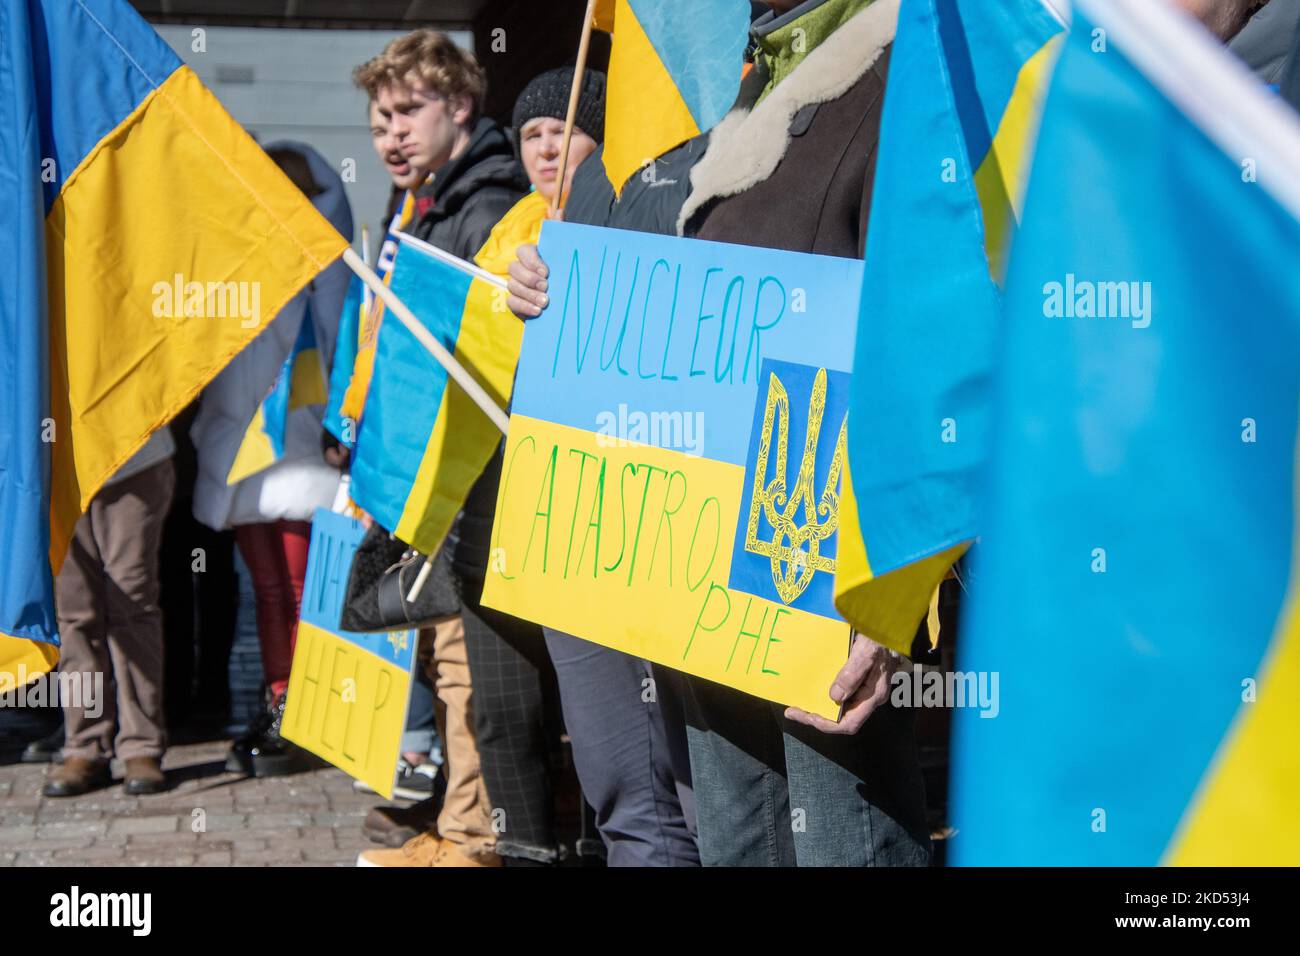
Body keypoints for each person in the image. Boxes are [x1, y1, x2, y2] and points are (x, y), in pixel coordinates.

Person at [508, 0, 932, 867]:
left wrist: (895, 590)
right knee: (739, 846)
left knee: (843, 849)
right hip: (710, 588)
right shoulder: (749, 96)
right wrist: (560, 299)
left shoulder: (907, 74)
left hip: (824, 577)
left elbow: (940, 336)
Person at [353, 30, 549, 867]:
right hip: (435, 463)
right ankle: (455, 814)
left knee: (470, 662)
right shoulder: (426, 200)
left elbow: (470, 349)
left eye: (408, 112)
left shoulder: (490, 199)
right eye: (378, 120)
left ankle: (476, 838)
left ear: (460, 105)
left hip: (477, 472)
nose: (391, 134)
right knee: (440, 651)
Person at [189, 143, 352, 779]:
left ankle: (315, 713)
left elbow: (343, 349)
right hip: (242, 448)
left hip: (302, 446)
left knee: (304, 589)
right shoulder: (230, 259)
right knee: (267, 590)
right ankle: (281, 702)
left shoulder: (329, 265)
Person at [42, 430, 177, 797]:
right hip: (56, 464)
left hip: (132, 455)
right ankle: (85, 746)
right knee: (74, 614)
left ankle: (141, 745)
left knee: (132, 607)